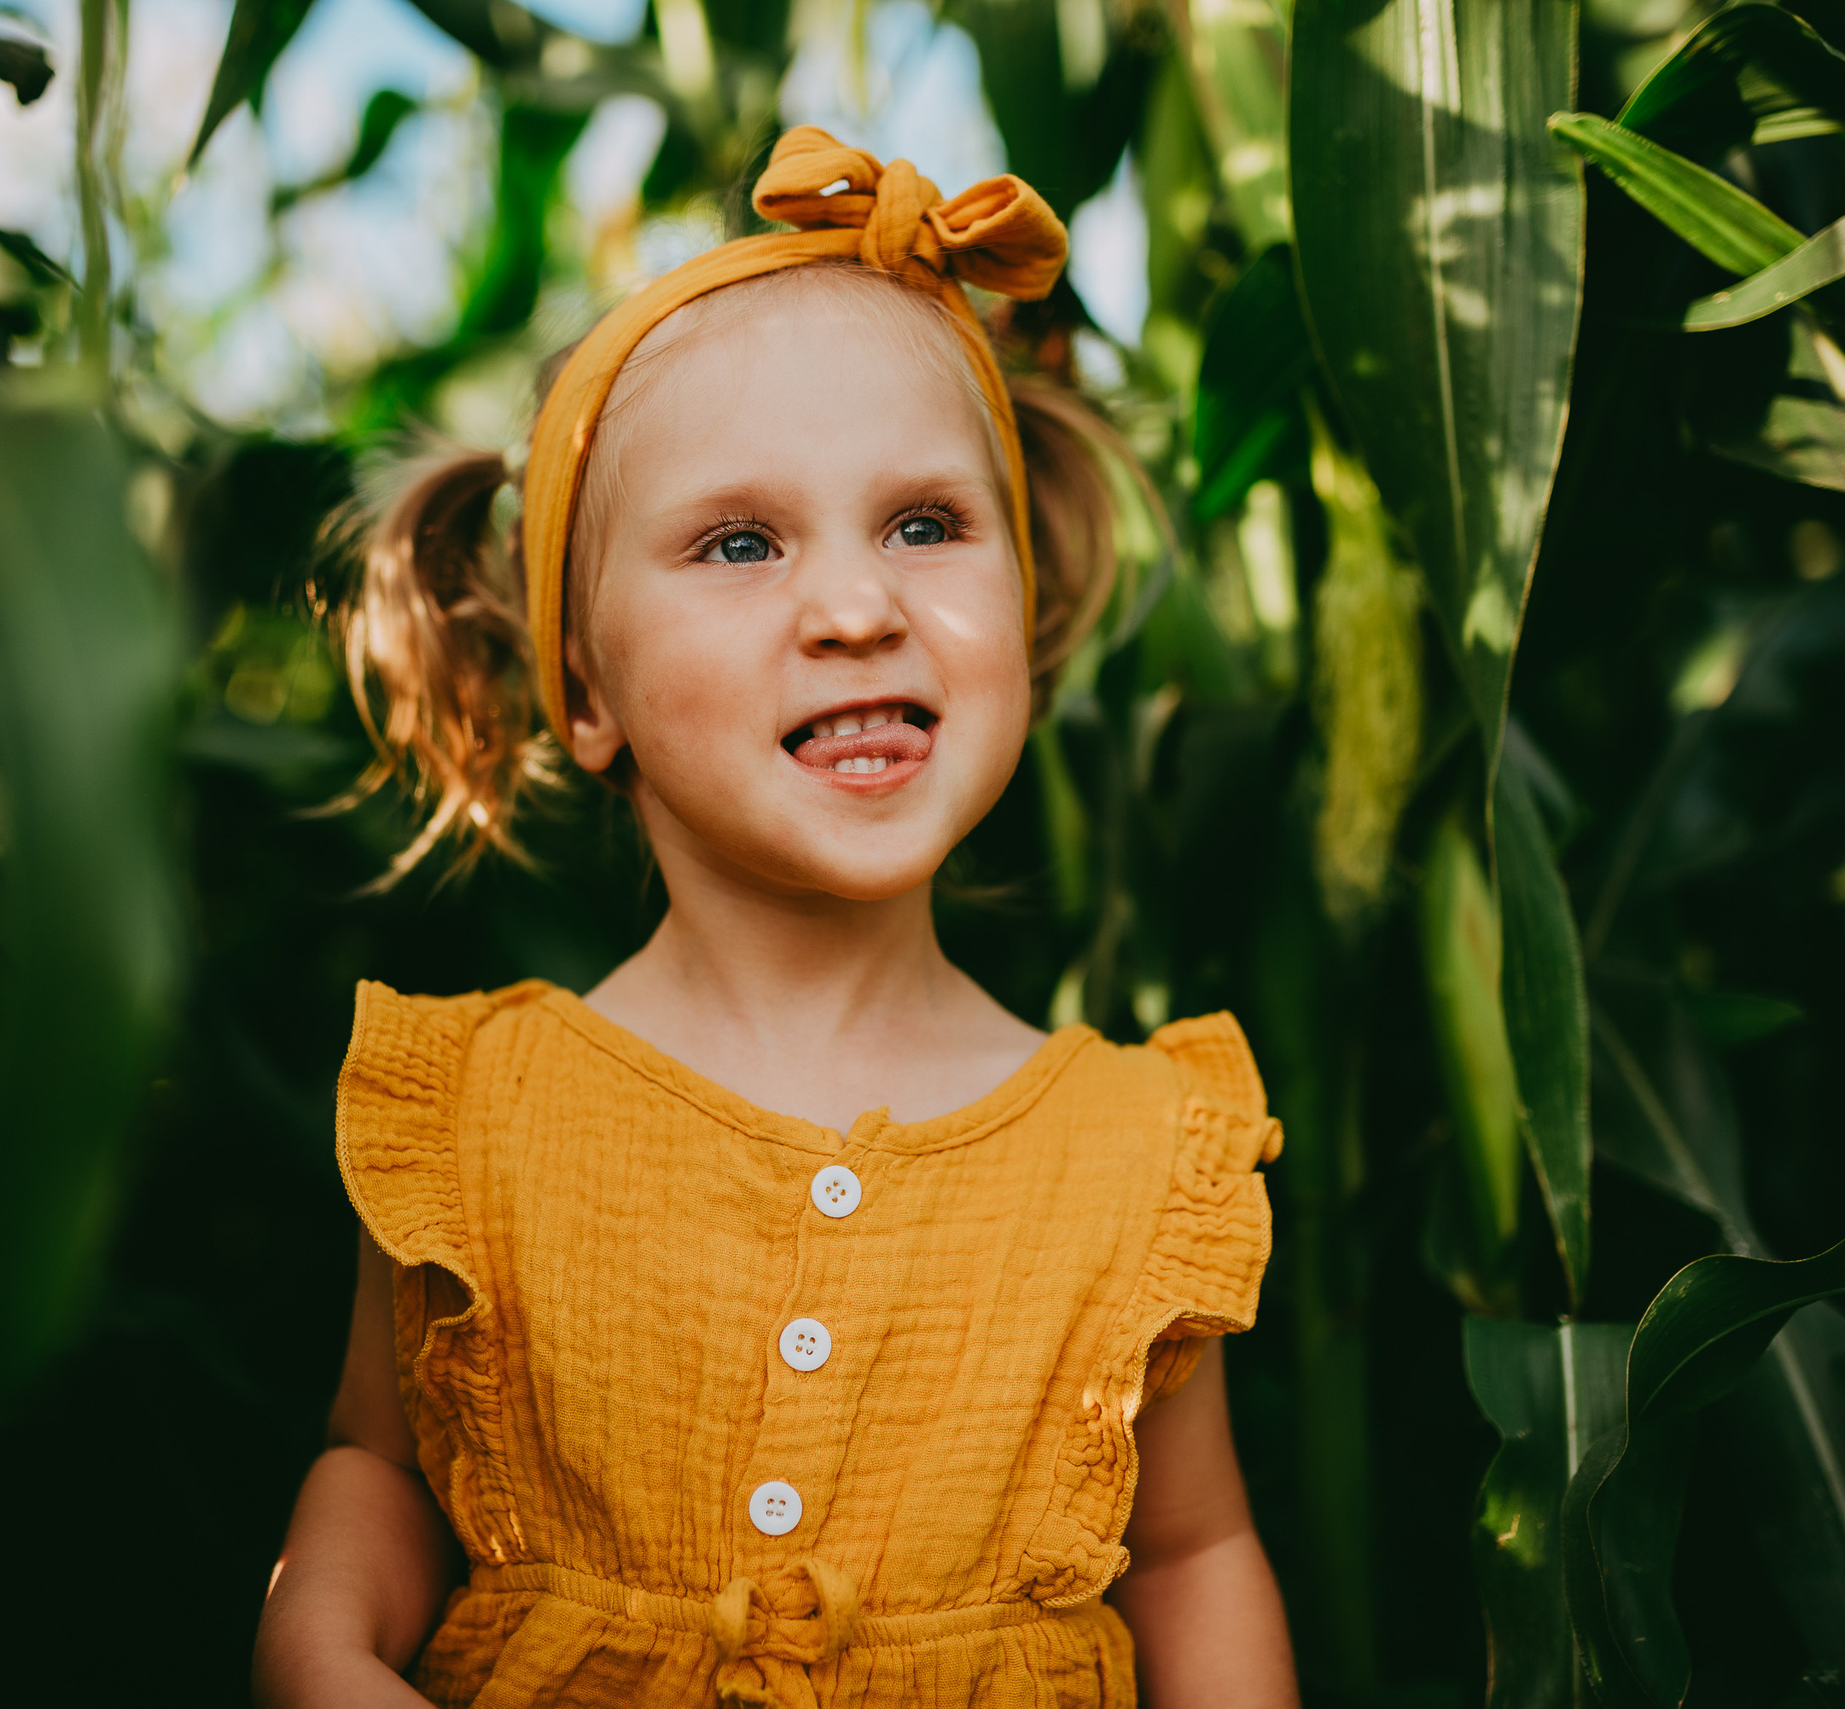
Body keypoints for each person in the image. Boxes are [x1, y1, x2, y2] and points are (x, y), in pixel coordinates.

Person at [251, 126, 1296, 1709]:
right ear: (587, 690)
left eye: (928, 524)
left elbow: (1191, 1553)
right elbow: (387, 1464)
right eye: (741, 543)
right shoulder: (471, 1116)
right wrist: (320, 1641)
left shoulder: (1140, 1149)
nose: (859, 605)